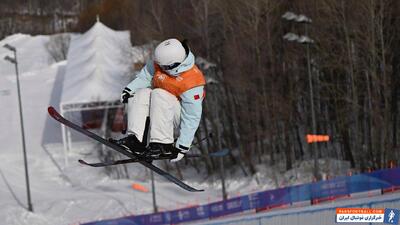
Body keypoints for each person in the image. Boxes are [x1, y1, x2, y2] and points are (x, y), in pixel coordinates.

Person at [115, 38, 206, 163]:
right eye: (160, 65)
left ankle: (162, 145)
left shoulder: (192, 82)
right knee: (142, 93)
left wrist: (183, 146)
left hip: (176, 116)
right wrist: (130, 89)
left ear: (174, 64)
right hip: (159, 110)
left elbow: (192, 117)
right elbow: (145, 77)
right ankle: (136, 141)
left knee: (159, 94)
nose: (161, 68)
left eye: (164, 67)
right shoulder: (161, 62)